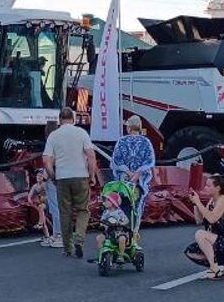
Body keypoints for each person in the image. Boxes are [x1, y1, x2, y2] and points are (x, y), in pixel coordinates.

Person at [43, 107, 100, 259]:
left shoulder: (53, 135)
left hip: (62, 177)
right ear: (73, 119)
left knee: (65, 212)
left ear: (60, 120)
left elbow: (46, 160)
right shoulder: (81, 133)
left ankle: (67, 248)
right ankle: (79, 239)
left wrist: (53, 176)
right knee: (82, 210)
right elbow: (91, 155)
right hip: (81, 176)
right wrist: (91, 174)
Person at [187, 174, 224, 280]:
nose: (205, 188)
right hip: (219, 241)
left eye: (208, 186)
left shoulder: (223, 200)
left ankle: (215, 269)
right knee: (191, 251)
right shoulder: (212, 201)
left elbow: (212, 219)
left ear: (217, 188)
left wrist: (199, 203)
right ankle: (223, 264)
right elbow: (198, 220)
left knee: (200, 234)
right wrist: (195, 203)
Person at [109, 115, 156, 238]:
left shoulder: (121, 141)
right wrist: (137, 174)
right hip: (139, 182)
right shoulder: (146, 142)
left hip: (124, 181)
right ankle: (134, 233)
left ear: (128, 127)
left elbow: (116, 161)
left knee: (123, 204)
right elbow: (149, 161)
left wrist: (128, 173)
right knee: (137, 206)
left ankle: (122, 232)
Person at [29, 168, 56, 248]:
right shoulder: (35, 186)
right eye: (38, 176)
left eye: (40, 176)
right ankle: (47, 235)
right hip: (42, 203)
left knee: (41, 207)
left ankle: (40, 223)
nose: (39, 177)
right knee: (42, 215)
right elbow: (30, 195)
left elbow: (50, 193)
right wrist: (30, 200)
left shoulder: (45, 184)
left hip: (48, 202)